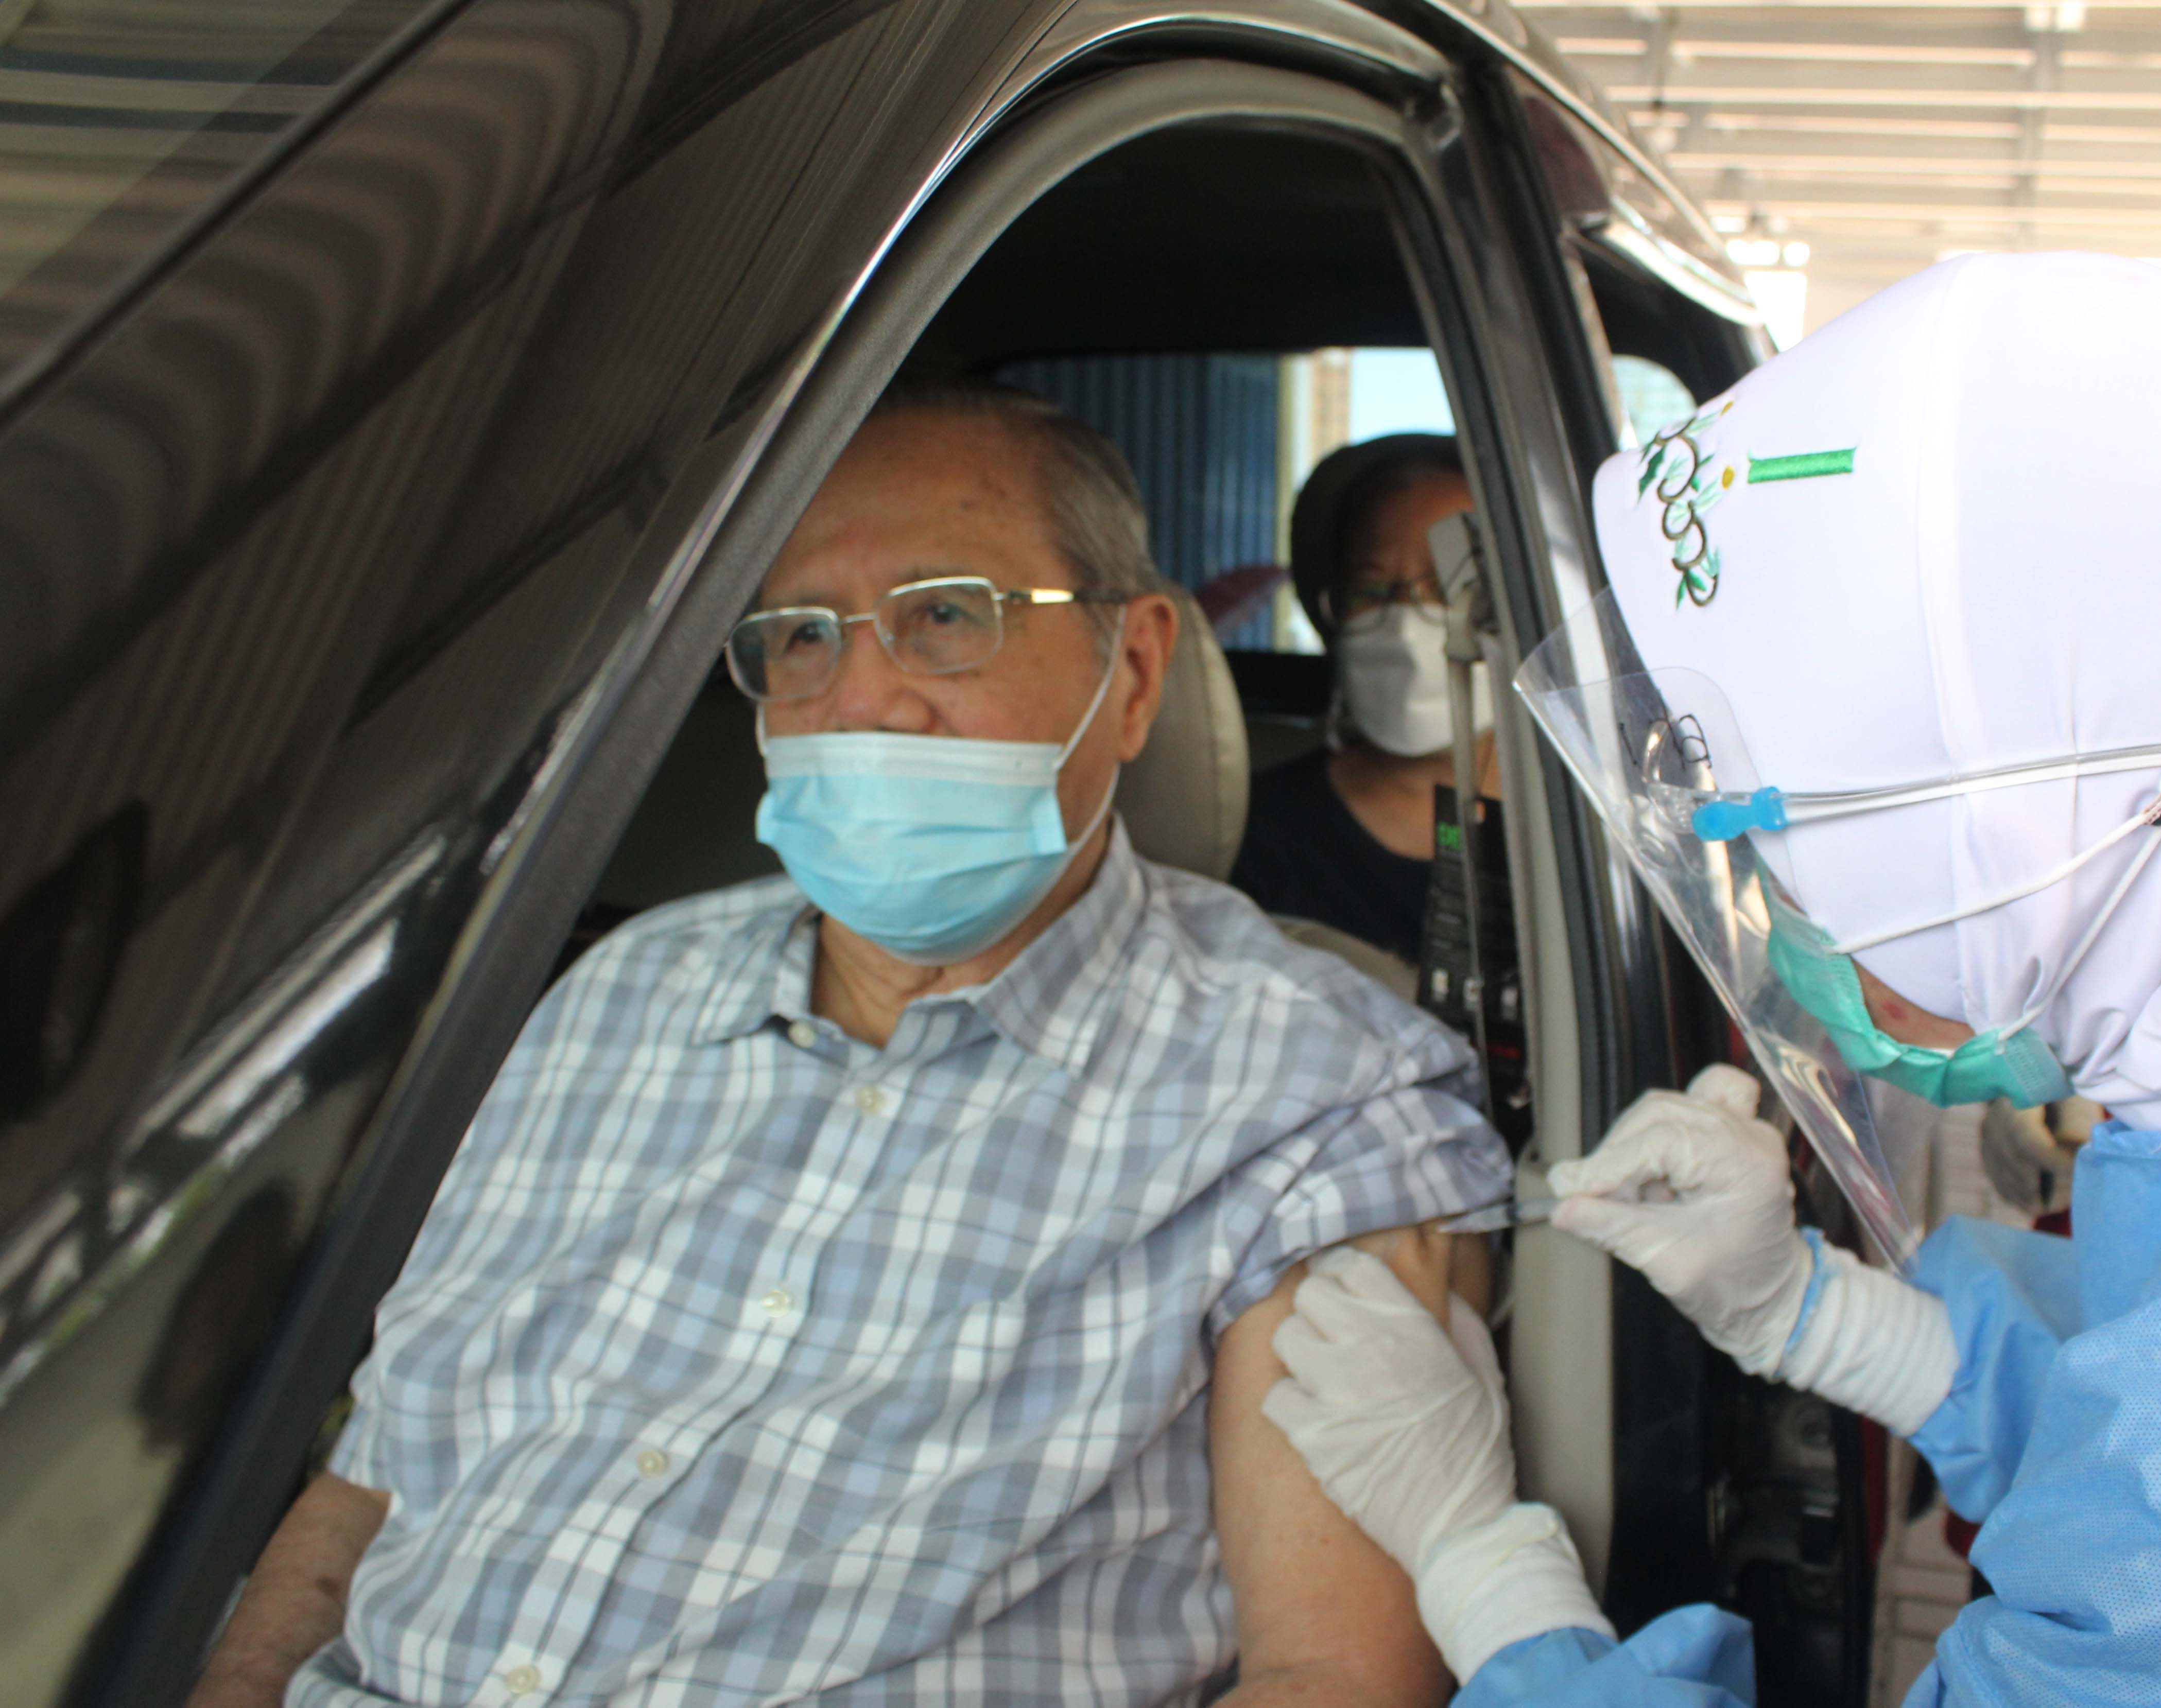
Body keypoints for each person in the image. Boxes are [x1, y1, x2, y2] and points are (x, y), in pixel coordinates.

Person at [191, 384, 1510, 1708]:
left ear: (1135, 672)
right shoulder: (610, 997)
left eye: (945, 615)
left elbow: (1332, 1679)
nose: (864, 696)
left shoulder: (1315, 1092)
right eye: (802, 634)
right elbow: (370, 1486)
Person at [1259, 252, 2161, 1705]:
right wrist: (1817, 1314)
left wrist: (1486, 1579)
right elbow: (2139, 1417)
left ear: (2039, 811)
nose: (1775, 915)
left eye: (1790, 829)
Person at [1230, 434, 1497, 965]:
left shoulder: (1590, 817)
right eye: (1372, 593)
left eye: (1453, 590)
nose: (1405, 624)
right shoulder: (1254, 835)